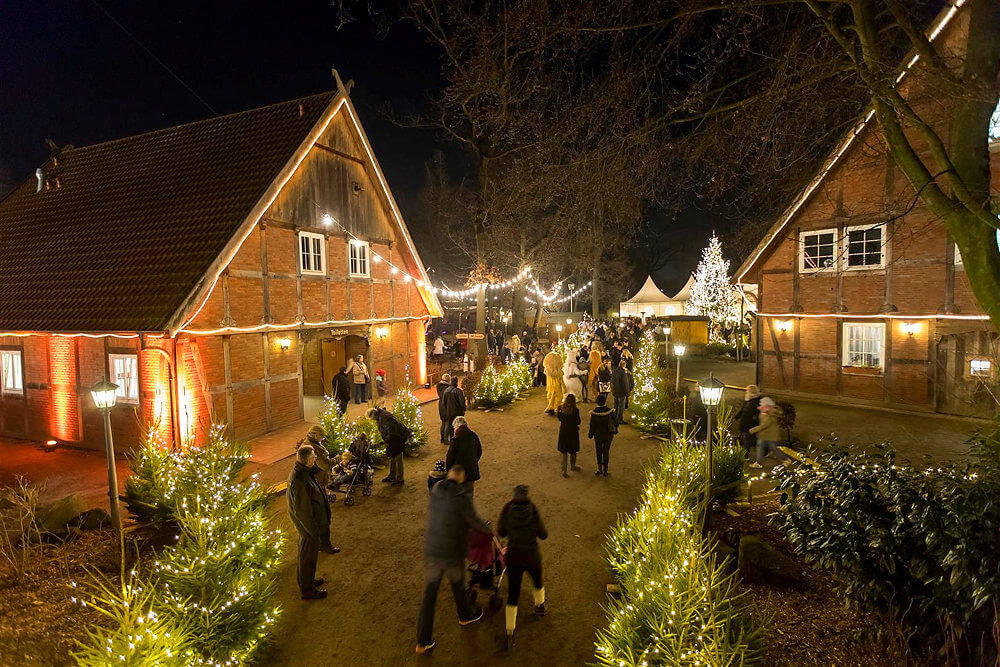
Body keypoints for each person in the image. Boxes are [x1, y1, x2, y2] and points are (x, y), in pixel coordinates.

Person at [416, 465, 489, 654]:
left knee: (429, 597)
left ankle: (423, 642)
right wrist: (489, 531)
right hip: (452, 552)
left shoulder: (436, 490)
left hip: (433, 549)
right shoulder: (462, 498)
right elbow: (474, 521)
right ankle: (465, 616)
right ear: (461, 479)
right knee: (457, 584)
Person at [497, 485, 548, 649]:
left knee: (513, 595)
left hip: (514, 557)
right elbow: (543, 534)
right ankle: (540, 605)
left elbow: (501, 532)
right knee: (537, 581)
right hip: (531, 555)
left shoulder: (507, 509)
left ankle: (510, 631)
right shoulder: (533, 511)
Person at [287, 445, 333, 600]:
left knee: (308, 555)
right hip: (308, 527)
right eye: (313, 457)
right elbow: (302, 509)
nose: (315, 459)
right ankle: (307, 590)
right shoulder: (299, 480)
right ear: (306, 460)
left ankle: (307, 581)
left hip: (310, 525)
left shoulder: (305, 473)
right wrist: (312, 530)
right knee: (307, 556)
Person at [368, 407, 411, 486]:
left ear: (374, 415)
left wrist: (386, 441)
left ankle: (400, 479)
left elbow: (392, 432)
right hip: (392, 440)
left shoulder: (385, 419)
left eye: (372, 419)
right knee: (392, 458)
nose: (373, 421)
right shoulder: (381, 417)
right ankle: (392, 475)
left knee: (398, 459)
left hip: (398, 439)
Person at [446, 415, 483, 500]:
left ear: (457, 427)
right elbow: (479, 451)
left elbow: (450, 457)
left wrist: (449, 471)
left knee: (458, 495)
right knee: (469, 494)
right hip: (471, 470)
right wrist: (473, 461)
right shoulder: (473, 436)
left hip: (458, 473)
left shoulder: (455, 440)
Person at [749, 397, 787, 468]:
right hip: (764, 434)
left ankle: (785, 459)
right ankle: (758, 463)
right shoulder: (765, 412)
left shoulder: (768, 414)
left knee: (773, 448)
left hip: (770, 435)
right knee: (760, 447)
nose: (760, 404)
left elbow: (765, 425)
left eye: (762, 403)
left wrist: (754, 429)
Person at [588, 394, 618, 476]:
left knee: (598, 451)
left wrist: (590, 434)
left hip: (598, 435)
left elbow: (592, 425)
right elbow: (616, 422)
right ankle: (605, 470)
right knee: (606, 451)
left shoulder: (594, 413)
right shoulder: (610, 412)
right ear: (605, 401)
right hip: (608, 435)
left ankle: (599, 469)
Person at [736, 385, 763, 460]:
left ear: (752, 392)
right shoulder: (748, 399)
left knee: (747, 440)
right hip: (745, 423)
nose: (746, 392)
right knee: (745, 440)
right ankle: (744, 453)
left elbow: (756, 413)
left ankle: (745, 455)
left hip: (750, 424)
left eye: (747, 391)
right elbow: (743, 409)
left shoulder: (756, 401)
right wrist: (736, 417)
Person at [557, 393, 581, 476]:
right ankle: (573, 466)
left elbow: (559, 418)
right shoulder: (575, 411)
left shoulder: (560, 409)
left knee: (563, 452)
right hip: (573, 432)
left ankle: (564, 471)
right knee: (573, 450)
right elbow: (578, 422)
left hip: (563, 432)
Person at [440, 376, 467, 443]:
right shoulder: (458, 391)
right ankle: (458, 439)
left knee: (450, 426)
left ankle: (452, 440)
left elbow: (444, 402)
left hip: (449, 412)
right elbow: (462, 402)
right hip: (458, 412)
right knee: (458, 426)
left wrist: (447, 408)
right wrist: (463, 410)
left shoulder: (446, 390)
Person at [542, 346, 564, 415]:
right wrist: (564, 387)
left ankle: (552, 408)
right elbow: (561, 380)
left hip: (551, 387)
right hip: (557, 388)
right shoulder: (559, 373)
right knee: (558, 398)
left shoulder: (549, 373)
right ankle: (556, 408)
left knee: (551, 396)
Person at [611, 359, 634, 425]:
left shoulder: (615, 371)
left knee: (616, 405)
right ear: (624, 365)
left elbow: (612, 381)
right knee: (621, 406)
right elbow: (625, 384)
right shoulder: (623, 373)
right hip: (621, 392)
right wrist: (627, 393)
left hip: (615, 391)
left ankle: (615, 417)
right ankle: (619, 419)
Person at [436, 373, 453, 444]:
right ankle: (446, 439)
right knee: (448, 422)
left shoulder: (439, 386)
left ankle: (442, 438)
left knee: (443, 422)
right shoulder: (448, 388)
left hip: (441, 405)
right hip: (446, 406)